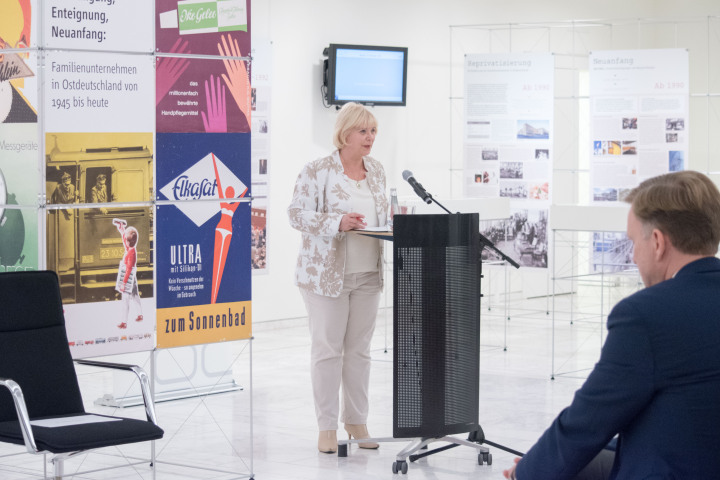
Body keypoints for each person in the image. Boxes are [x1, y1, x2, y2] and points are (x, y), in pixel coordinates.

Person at [504, 170, 720, 480]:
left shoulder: (646, 314)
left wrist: (525, 474)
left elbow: (588, 421)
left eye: (634, 242)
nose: (633, 256)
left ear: (658, 242)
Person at [287, 102, 388, 454]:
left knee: (359, 352)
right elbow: (296, 214)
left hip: (368, 274)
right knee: (327, 351)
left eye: (373, 131)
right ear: (345, 133)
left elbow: (381, 216)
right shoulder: (317, 170)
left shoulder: (376, 170)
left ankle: (357, 421)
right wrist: (337, 222)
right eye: (363, 131)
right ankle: (327, 427)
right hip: (325, 276)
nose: (370, 137)